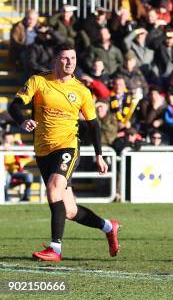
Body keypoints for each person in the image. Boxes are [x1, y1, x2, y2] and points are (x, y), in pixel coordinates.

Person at [8, 44, 120, 262]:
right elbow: (14, 106)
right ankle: (108, 226)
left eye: (73, 58)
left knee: (53, 188)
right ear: (55, 60)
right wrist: (23, 120)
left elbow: (93, 124)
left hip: (68, 146)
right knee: (69, 210)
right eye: (66, 58)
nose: (71, 62)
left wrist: (98, 155)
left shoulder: (81, 91)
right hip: (43, 150)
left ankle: (55, 249)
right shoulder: (38, 81)